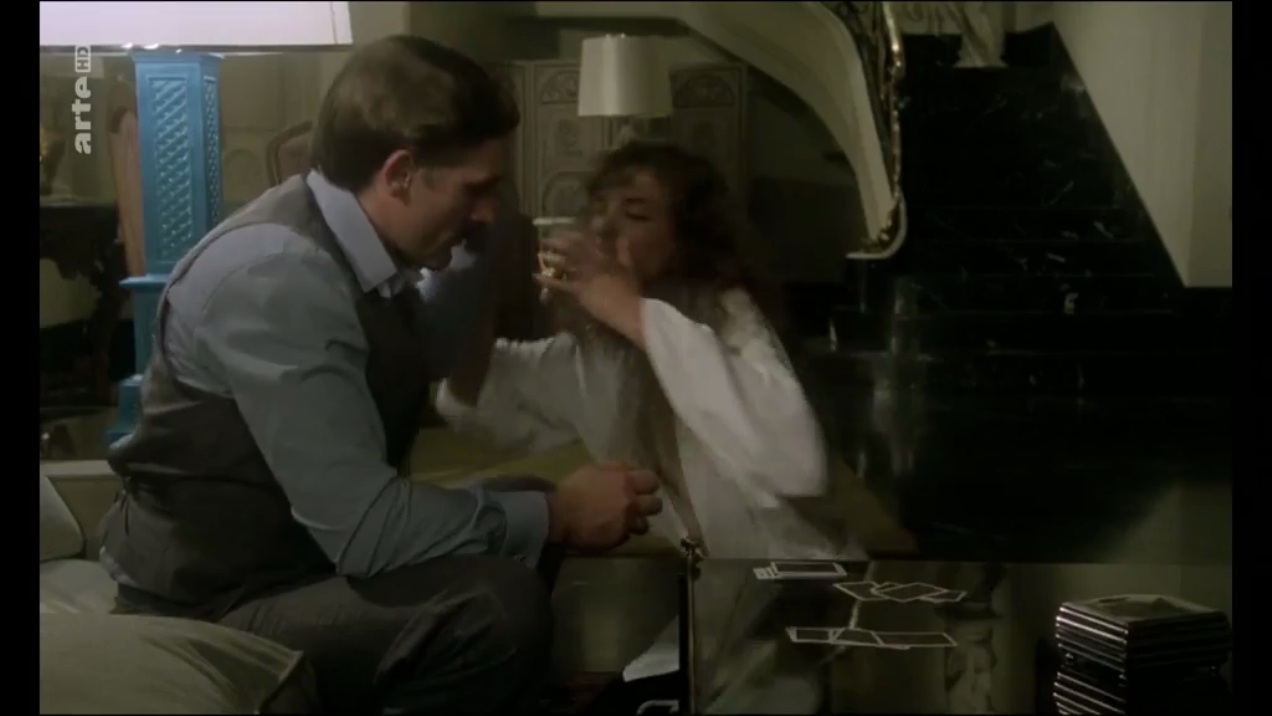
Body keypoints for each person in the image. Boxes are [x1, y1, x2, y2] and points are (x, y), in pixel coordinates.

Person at [98, 35, 662, 714]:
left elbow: (422, 357)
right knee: (495, 603)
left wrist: (473, 247)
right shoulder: (279, 274)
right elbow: (369, 533)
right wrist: (561, 515)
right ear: (400, 174)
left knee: (522, 502)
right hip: (208, 606)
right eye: (476, 190)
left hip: (298, 562)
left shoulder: (354, 241)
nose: (491, 210)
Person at [438, 140, 865, 561]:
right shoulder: (595, 355)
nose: (603, 227)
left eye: (636, 214)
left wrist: (627, 307)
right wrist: (482, 289)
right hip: (714, 586)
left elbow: (797, 463)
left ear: (686, 241)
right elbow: (475, 400)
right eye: (598, 208)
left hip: (811, 580)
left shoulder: (726, 315)